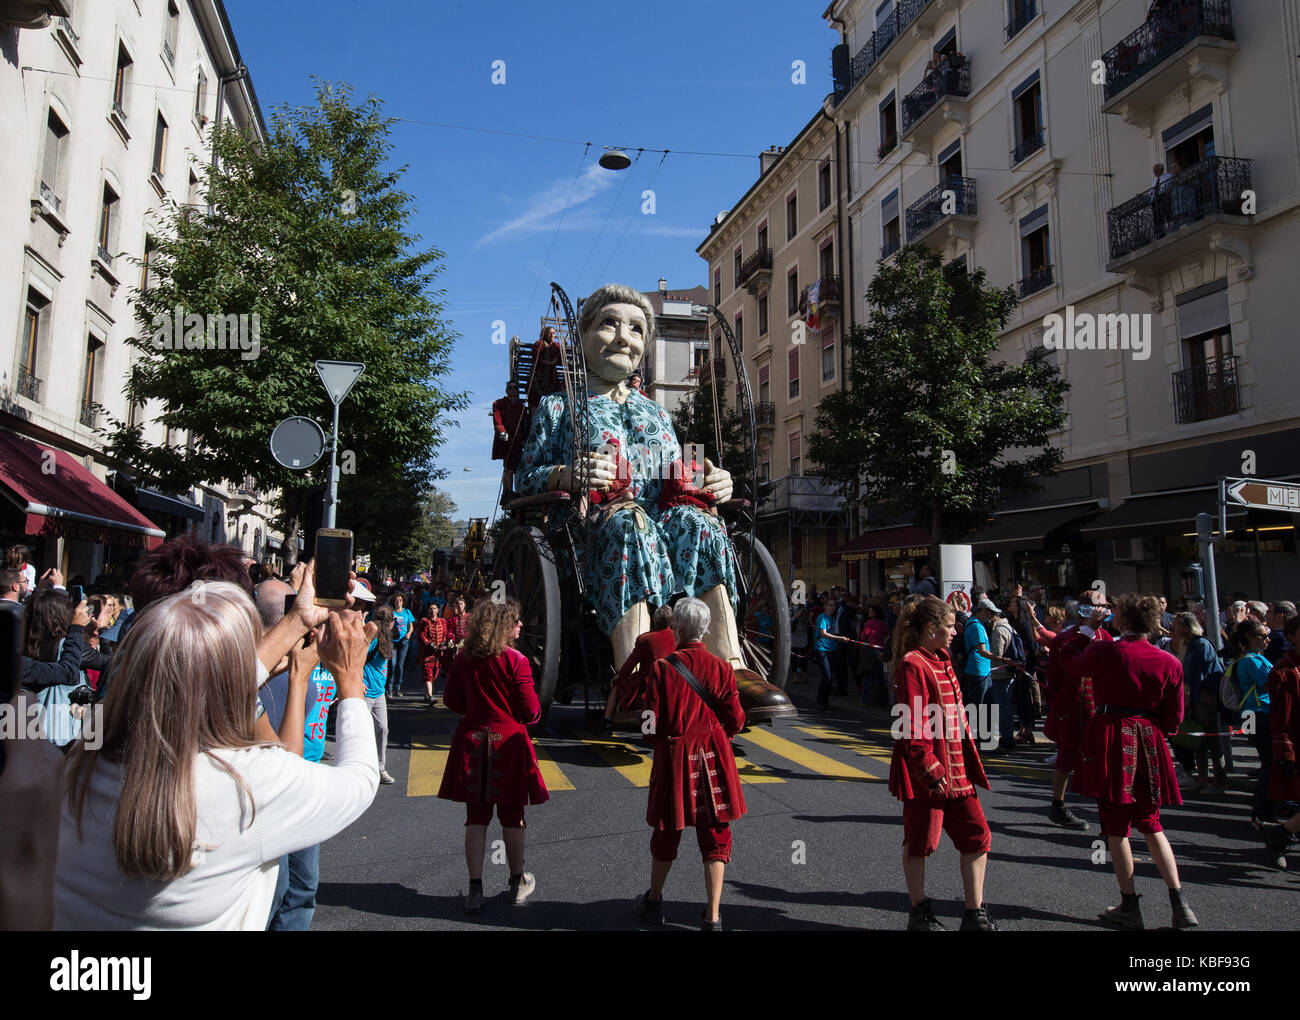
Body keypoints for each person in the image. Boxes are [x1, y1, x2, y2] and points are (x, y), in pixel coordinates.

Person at [56, 584, 379, 930]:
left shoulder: (76, 765)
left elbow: (197, 683)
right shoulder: (248, 784)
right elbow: (360, 780)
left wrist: (297, 620)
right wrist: (349, 679)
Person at [1056, 595, 1197, 930]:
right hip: (1148, 737)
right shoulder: (1168, 661)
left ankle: (1130, 904)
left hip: (1113, 735)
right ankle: (1180, 902)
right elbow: (1174, 718)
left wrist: (1087, 630)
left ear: (1123, 619)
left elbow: (1069, 662)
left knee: (1116, 826)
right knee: (1151, 822)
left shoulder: (1107, 651)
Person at [633, 597, 746, 931]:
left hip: (675, 756)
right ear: (706, 630)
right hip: (713, 756)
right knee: (716, 833)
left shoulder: (661, 669)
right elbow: (736, 720)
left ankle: (654, 901)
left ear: (677, 629)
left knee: (668, 829)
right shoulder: (723, 668)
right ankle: (713, 916)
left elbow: (649, 724)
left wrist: (661, 742)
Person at [888, 596, 995, 932]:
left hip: (957, 768)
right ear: (931, 628)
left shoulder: (941, 658)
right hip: (928, 771)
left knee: (978, 836)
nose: (954, 631)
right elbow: (911, 723)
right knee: (921, 841)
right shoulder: (912, 663)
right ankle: (919, 912)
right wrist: (929, 769)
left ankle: (973, 914)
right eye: (949, 626)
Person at [437, 597, 548, 913]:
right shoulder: (517, 661)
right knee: (512, 815)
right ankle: (516, 882)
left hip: (473, 738)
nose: (521, 625)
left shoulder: (464, 658)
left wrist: (474, 713)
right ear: (503, 626)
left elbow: (451, 700)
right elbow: (531, 712)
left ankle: (475, 889)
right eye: (515, 621)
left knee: (476, 817)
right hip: (509, 742)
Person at [1043, 589, 1114, 830]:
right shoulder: (1068, 638)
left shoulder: (1106, 637)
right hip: (1072, 706)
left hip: (1100, 707)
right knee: (1067, 756)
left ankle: (1107, 814)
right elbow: (1058, 671)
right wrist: (1056, 706)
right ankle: (1058, 805)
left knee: (1101, 759)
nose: (1101, 611)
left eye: (1104, 607)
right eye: (1096, 607)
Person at [1168, 613, 1227, 794]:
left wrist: (1189, 697)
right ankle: (1202, 779)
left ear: (1187, 627)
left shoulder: (1200, 645)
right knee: (1198, 741)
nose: (1173, 628)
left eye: (1177, 624)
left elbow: (1197, 675)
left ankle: (1220, 782)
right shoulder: (1186, 645)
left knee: (1212, 740)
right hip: (1192, 698)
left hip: (1204, 698)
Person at [1262, 614, 1300, 867]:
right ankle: (1282, 833)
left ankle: (1282, 833)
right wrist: (1284, 750)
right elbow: (1281, 718)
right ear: (1291, 637)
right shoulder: (1284, 670)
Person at [602, 603, 675, 731]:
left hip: (649, 686)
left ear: (655, 619)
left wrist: (619, 677)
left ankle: (607, 720)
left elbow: (628, 667)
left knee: (617, 684)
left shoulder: (645, 639)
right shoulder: (678, 637)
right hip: (673, 683)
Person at [1231, 618, 1274, 827]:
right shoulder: (1250, 661)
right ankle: (1261, 810)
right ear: (1249, 638)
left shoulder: (1256, 658)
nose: (1267, 639)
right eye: (1262, 636)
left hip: (1258, 713)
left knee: (1270, 762)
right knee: (1269, 763)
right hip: (1259, 714)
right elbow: (1270, 684)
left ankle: (1267, 806)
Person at [362, 597, 396, 786]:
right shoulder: (373, 638)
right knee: (361, 731)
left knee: (383, 729)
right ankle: (360, 768)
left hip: (379, 692)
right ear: (388, 622)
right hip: (366, 692)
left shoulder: (385, 638)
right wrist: (358, 679)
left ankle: (380, 768)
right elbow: (357, 656)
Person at [492, 380, 527, 500]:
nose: (513, 390)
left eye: (515, 388)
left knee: (515, 467)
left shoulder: (522, 407)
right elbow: (497, 419)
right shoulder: (499, 404)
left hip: (517, 440)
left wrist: (525, 438)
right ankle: (507, 492)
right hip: (505, 439)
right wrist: (501, 431)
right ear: (506, 390)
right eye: (510, 388)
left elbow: (524, 424)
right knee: (508, 467)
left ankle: (514, 491)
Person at [814, 594, 848, 710]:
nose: (832, 608)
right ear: (825, 606)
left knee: (830, 677)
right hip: (821, 649)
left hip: (832, 649)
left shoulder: (833, 618)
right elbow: (823, 633)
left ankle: (824, 702)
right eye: (830, 605)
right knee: (827, 676)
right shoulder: (822, 617)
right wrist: (839, 638)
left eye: (834, 606)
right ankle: (820, 701)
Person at [526, 325, 565, 409]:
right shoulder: (539, 344)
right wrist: (550, 363)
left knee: (558, 397)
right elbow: (537, 360)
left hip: (552, 377)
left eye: (553, 333)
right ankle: (533, 418)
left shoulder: (556, 346)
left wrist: (562, 349)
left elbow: (560, 360)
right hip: (539, 376)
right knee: (534, 400)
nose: (552, 335)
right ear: (545, 334)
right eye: (550, 333)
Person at [419, 602, 448, 704]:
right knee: (428, 674)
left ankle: (427, 694)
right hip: (428, 653)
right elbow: (422, 636)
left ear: (438, 610)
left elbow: (444, 634)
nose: (432, 611)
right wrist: (430, 644)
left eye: (434, 608)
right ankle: (430, 696)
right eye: (430, 609)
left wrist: (443, 643)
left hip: (438, 653)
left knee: (434, 674)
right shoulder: (424, 622)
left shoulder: (442, 621)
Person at [388, 594, 415, 698]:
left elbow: (411, 626)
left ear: (403, 602)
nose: (398, 601)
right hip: (392, 641)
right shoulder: (391, 612)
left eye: (400, 600)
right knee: (392, 664)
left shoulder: (407, 612)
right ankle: (389, 689)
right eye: (396, 600)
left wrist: (409, 633)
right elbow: (387, 626)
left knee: (400, 665)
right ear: (394, 602)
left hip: (403, 641)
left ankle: (397, 688)